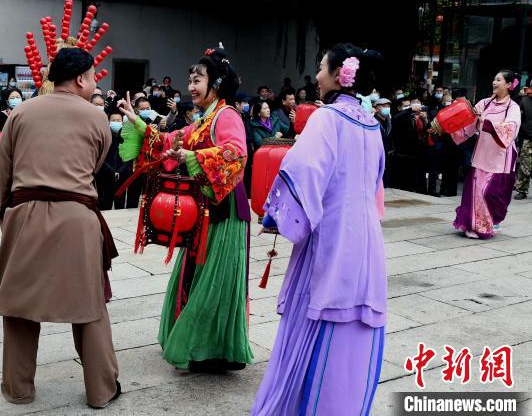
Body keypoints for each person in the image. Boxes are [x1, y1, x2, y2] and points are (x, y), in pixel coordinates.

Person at [252, 43, 386, 415]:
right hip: (367, 236)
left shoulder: (327, 119)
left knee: (321, 311)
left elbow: (303, 171)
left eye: (322, 68)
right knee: (356, 317)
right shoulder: (372, 123)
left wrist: (275, 216)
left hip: (333, 232)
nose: (318, 75)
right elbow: (375, 183)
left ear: (338, 75)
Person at [0, 47, 120, 409]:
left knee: (18, 306)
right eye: (92, 76)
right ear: (80, 79)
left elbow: (3, 169)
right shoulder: (97, 118)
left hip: (24, 214)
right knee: (89, 306)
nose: (93, 83)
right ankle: (101, 390)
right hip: (77, 219)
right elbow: (94, 167)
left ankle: (17, 389)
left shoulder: (20, 112)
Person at [118, 46, 253, 372]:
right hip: (207, 209)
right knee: (195, 277)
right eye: (190, 80)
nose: (191, 86)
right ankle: (202, 345)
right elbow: (170, 141)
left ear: (216, 83)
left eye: (198, 80)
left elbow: (237, 153)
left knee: (213, 281)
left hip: (225, 211)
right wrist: (137, 122)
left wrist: (195, 159)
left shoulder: (227, 115)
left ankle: (212, 348)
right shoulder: (204, 119)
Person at [450, 70, 521, 239]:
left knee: (492, 193)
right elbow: (469, 123)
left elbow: (511, 129)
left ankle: (491, 221)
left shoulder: (513, 107)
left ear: (509, 85)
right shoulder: (484, 103)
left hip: (501, 156)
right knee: (475, 191)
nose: (494, 83)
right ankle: (473, 224)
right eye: (494, 79)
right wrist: (448, 126)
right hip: (482, 152)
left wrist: (487, 123)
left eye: (498, 80)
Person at [95, 110, 132, 210]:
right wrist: (111, 172)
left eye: (118, 120)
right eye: (114, 120)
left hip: (122, 176)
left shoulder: (126, 136)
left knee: (120, 205)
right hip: (105, 176)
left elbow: (129, 157)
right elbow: (99, 156)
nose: (116, 122)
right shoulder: (102, 135)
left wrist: (120, 171)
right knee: (104, 205)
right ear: (108, 122)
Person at [514, 82, 532, 199]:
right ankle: (522, 190)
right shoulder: (524, 100)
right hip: (528, 137)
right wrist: (519, 95)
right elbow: (516, 115)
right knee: (525, 165)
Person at [374, 98, 393, 187]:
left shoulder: (389, 121)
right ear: (377, 109)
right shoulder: (372, 121)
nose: (386, 108)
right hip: (376, 153)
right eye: (383, 106)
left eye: (388, 106)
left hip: (388, 154)